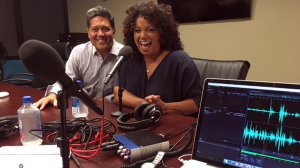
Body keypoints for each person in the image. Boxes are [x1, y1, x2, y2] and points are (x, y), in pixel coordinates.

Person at [113, 1, 202, 115]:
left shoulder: (180, 61)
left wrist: (164, 107)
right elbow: (118, 93)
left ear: (162, 33)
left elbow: (197, 103)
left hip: (169, 128)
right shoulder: (129, 56)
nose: (143, 36)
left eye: (150, 29)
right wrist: (144, 104)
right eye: (137, 30)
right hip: (134, 123)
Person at [34, 6, 123, 110]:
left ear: (113, 31)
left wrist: (102, 102)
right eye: (95, 29)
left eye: (106, 29)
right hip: (82, 109)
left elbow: (126, 92)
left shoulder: (124, 55)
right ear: (88, 33)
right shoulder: (79, 52)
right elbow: (66, 79)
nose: (100, 34)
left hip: (112, 109)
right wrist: (53, 94)